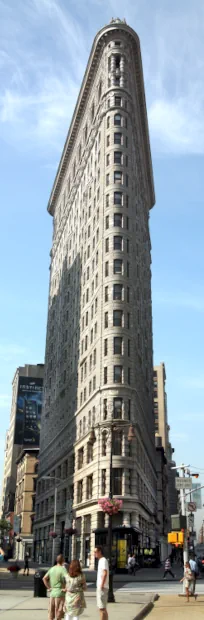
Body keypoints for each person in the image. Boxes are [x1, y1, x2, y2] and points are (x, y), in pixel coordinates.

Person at [43, 554, 67, 620]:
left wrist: (49, 587)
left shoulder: (52, 569)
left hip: (52, 593)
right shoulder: (63, 569)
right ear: (63, 560)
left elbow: (44, 578)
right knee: (58, 612)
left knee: (51, 612)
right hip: (60, 593)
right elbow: (68, 579)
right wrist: (66, 588)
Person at [95, 546, 109, 620]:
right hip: (102, 587)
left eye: (95, 552)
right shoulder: (101, 560)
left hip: (102, 588)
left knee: (101, 609)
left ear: (100, 552)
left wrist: (101, 585)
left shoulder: (103, 560)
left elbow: (105, 573)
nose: (94, 554)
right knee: (103, 608)